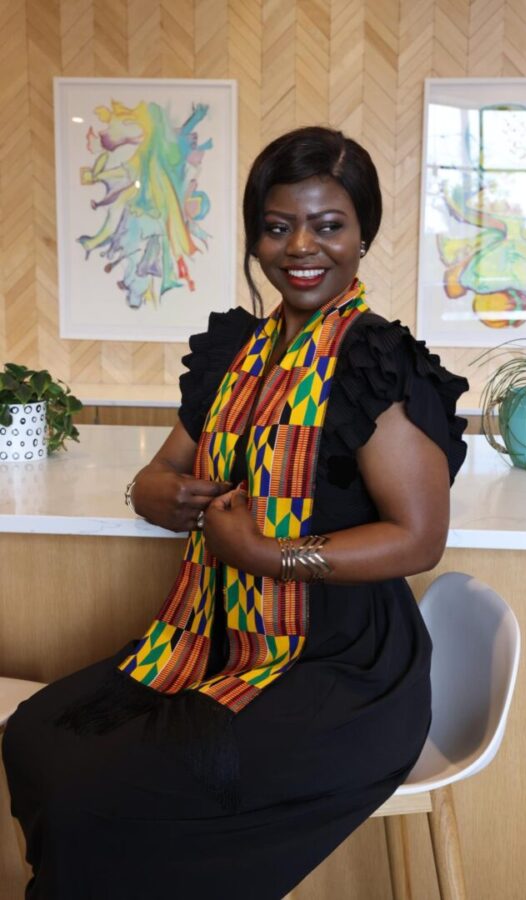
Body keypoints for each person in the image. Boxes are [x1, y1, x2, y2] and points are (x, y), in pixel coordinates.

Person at [2, 126, 469, 900]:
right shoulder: (236, 354)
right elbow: (160, 474)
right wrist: (154, 495)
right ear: (255, 236)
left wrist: (273, 557)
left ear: (363, 236)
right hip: (217, 641)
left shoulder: (371, 360)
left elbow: (420, 539)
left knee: (106, 795)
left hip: (341, 670)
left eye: (328, 225)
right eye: (279, 226)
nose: (301, 247)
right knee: (38, 734)